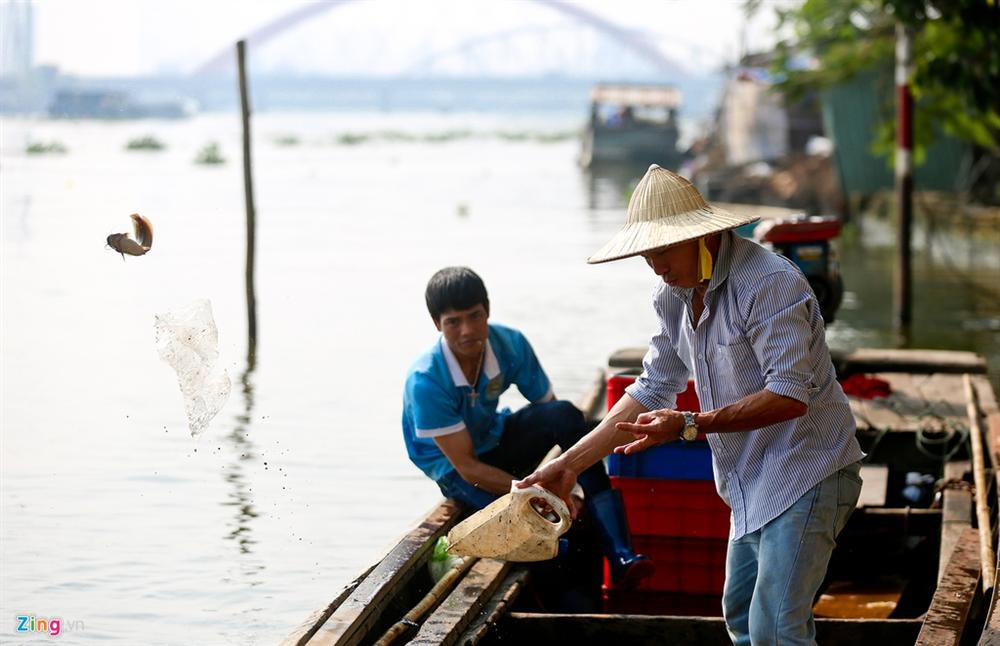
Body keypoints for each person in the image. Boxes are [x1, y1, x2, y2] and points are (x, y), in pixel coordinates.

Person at [516, 166, 864, 645]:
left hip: (809, 469)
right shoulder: (674, 295)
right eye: (646, 254)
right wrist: (570, 464)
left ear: (705, 235)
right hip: (750, 481)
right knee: (741, 617)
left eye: (663, 251)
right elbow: (654, 386)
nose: (656, 266)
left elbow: (789, 394)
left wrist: (689, 424)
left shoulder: (768, 283)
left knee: (776, 628)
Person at [401, 266, 654, 589]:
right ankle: (572, 592)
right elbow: (467, 467)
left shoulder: (510, 344)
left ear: (487, 311)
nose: (467, 330)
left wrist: (565, 471)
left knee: (564, 415)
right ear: (438, 324)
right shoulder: (427, 380)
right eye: (453, 322)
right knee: (541, 528)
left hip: (495, 436)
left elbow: (556, 415)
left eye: (475, 316)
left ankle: (621, 554)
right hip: (454, 469)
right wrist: (540, 493)